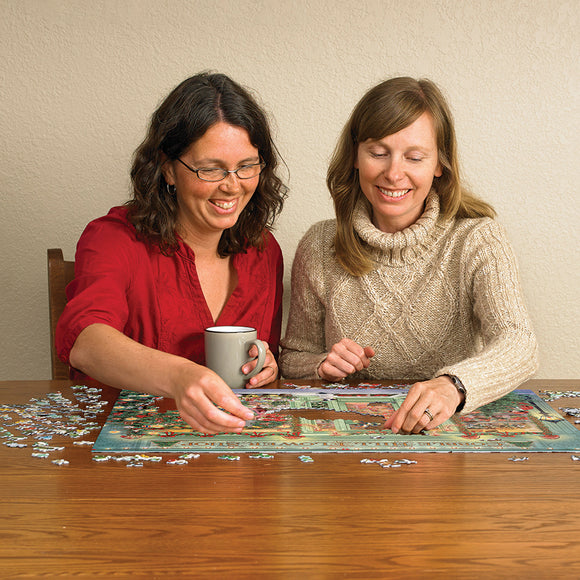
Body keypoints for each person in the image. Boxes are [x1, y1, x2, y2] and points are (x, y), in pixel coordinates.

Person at [280, 76, 538, 434]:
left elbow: (519, 343)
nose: (393, 173)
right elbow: (292, 359)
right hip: (349, 440)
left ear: (439, 164)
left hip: (449, 436)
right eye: (378, 153)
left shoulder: (478, 238)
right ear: (356, 156)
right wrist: (323, 365)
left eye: (414, 157)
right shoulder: (319, 244)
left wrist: (453, 386)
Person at [56, 72, 287, 434]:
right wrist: (180, 376)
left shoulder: (264, 251)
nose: (232, 185)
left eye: (246, 166)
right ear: (167, 168)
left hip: (232, 456)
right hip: (125, 455)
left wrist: (268, 365)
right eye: (209, 169)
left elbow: (262, 361)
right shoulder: (113, 239)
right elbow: (86, 342)